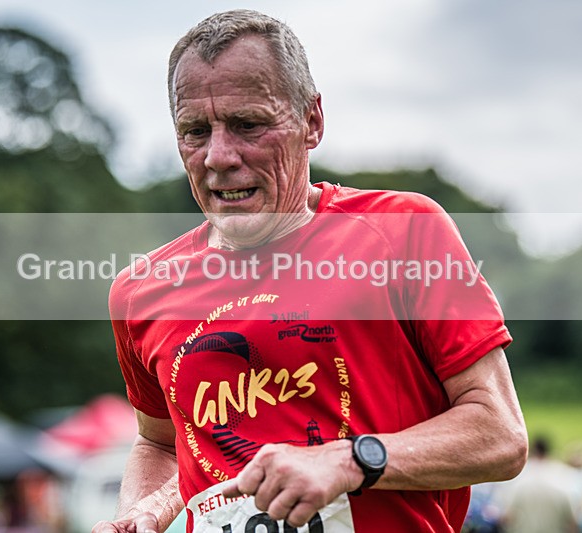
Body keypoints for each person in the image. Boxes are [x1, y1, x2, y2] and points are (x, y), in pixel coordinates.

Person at [94, 9, 527, 533]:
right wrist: (146, 509)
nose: (218, 156)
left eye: (248, 124)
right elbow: (160, 442)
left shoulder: (403, 232)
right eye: (194, 131)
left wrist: (346, 461)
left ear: (312, 121)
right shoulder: (140, 291)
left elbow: (500, 435)